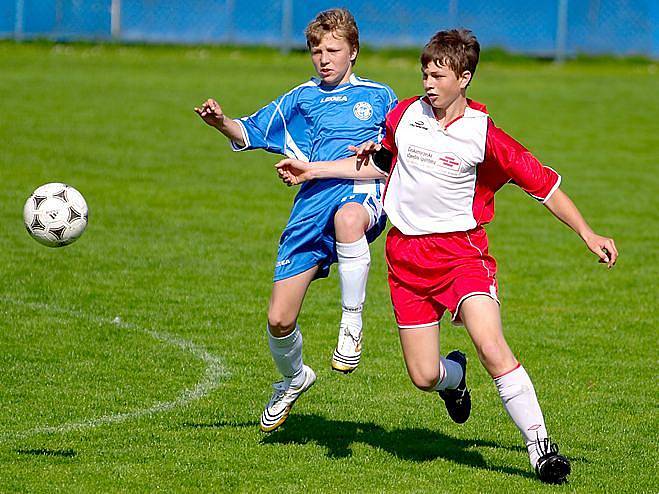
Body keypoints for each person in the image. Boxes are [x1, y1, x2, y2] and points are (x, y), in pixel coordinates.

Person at [275, 29, 618, 484]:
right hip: (406, 259)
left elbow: (545, 186)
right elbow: (380, 162)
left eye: (438, 76)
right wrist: (313, 170)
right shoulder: (403, 115)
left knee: (492, 346)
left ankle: (541, 447)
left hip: (461, 255)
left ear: (465, 77)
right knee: (423, 375)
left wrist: (587, 232)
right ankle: (454, 378)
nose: (428, 84)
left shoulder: (484, 134)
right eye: (425, 74)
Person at [194, 8, 397, 433]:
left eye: (333, 50)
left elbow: (394, 154)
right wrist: (220, 123)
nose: (323, 58)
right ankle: (293, 377)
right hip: (309, 207)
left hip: (359, 192)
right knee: (279, 319)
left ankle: (352, 324)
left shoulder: (380, 97)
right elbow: (249, 132)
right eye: (316, 51)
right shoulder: (301, 98)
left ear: (353, 52)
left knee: (348, 219)